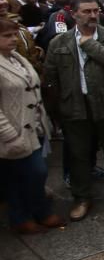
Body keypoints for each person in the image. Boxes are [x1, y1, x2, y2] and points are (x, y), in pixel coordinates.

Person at [43, 0, 104, 220]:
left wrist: (88, 43)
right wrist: (55, 107)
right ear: (74, 14)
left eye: (96, 11)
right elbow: (50, 76)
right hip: (75, 104)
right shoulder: (59, 42)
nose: (93, 15)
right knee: (79, 154)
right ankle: (82, 197)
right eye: (86, 11)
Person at [0, 17, 64, 234]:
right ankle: (23, 216)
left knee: (30, 173)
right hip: (14, 130)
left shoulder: (17, 58)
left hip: (33, 125)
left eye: (13, 35)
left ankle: (37, 211)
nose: (12, 40)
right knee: (30, 173)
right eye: (6, 36)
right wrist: (8, 134)